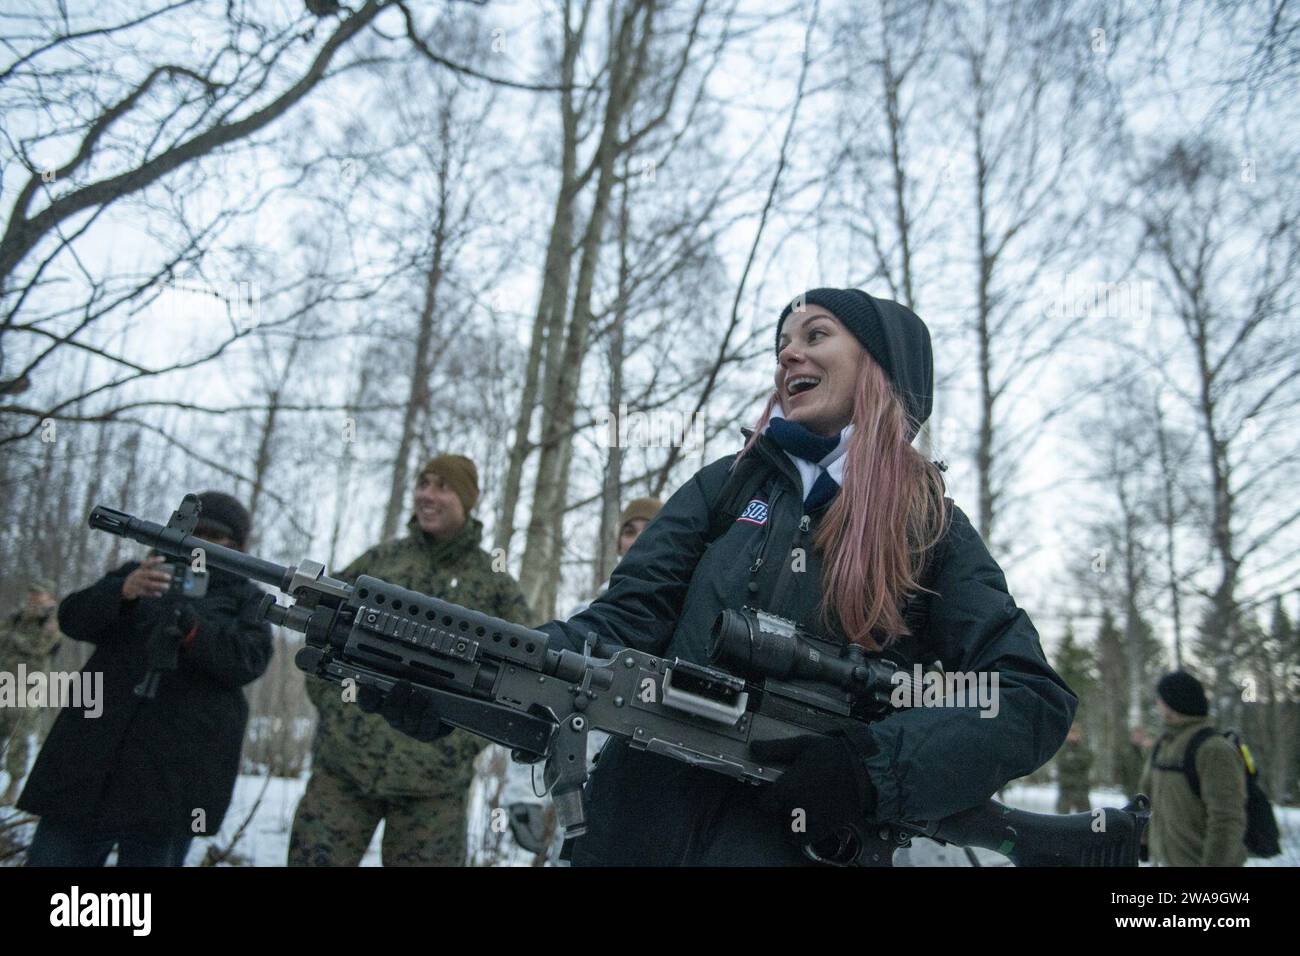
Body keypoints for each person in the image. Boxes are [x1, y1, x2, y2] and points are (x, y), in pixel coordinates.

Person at [370, 288, 1077, 866]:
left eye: (817, 333)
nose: (788, 353)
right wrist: (466, 677)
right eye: (782, 344)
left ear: (883, 366)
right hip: (634, 830)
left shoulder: (932, 529)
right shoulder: (726, 487)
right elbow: (611, 631)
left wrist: (872, 769)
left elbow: (1026, 697)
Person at [290, 454, 532, 867]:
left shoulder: (495, 586)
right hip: (343, 772)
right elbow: (320, 628)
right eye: (423, 483)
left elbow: (521, 682)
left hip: (434, 791)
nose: (427, 495)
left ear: (468, 500)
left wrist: (457, 744)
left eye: (443, 486)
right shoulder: (381, 562)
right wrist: (339, 711)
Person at [19, 492, 272, 867]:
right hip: (89, 769)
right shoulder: (143, 571)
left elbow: (249, 660)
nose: (199, 544)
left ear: (234, 545)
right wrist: (123, 593)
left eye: (214, 538)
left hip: (172, 782)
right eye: (193, 531)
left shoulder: (246, 598)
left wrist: (193, 630)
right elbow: (73, 619)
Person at [490, 496, 663, 863]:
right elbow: (545, 706)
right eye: (629, 531)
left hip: (662, 803)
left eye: (649, 530)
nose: (636, 540)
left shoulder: (694, 617)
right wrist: (522, 794)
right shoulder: (587, 620)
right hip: (585, 801)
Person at [1140, 670, 1247, 866]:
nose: (1158, 704)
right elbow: (1146, 799)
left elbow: (1226, 818)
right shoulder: (1163, 744)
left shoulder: (1213, 749)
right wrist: (1143, 840)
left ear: (1173, 703)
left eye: (1160, 699)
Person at [1, 580, 63, 804]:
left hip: (27, 689)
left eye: (39, 596)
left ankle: (13, 786)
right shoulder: (16, 618)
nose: (33, 600)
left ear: (49, 599)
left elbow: (39, 647)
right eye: (31, 595)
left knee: (18, 738)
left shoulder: (50, 622)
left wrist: (13, 638)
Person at [1054, 723, 1093, 813]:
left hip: (1081, 787)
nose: (1073, 736)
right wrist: (1075, 762)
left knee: (1085, 815)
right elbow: (1062, 763)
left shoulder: (1084, 749)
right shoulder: (1062, 748)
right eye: (1071, 733)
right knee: (1062, 816)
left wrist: (1073, 760)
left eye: (1075, 733)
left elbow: (1087, 761)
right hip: (1066, 787)